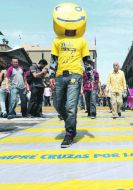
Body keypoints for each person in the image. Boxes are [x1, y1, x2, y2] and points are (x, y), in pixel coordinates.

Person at [49, 3, 93, 148]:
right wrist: (51, 77)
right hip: (60, 76)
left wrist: (90, 78)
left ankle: (69, 134)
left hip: (75, 75)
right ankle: (71, 121)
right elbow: (53, 61)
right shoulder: (56, 40)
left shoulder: (82, 41)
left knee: (70, 106)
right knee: (57, 104)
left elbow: (87, 61)